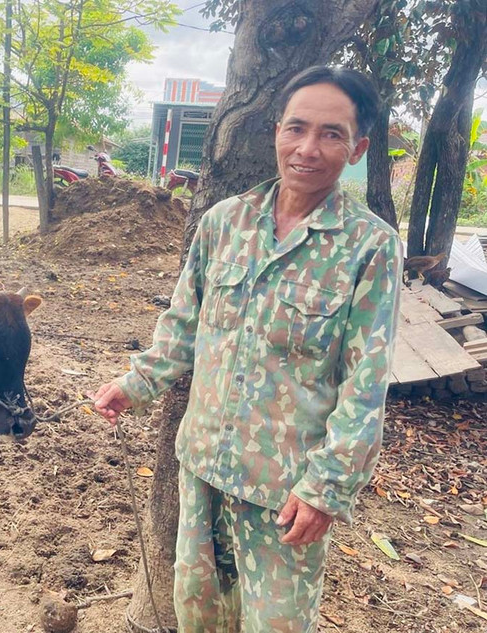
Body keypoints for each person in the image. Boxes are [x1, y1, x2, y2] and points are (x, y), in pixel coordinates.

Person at [92, 66, 401, 632]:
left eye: (331, 134)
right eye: (297, 128)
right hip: (204, 466)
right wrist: (134, 384)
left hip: (285, 491)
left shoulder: (370, 246)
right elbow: (184, 323)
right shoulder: (223, 223)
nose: (308, 148)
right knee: (198, 614)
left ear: (357, 149)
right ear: (276, 131)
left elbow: (366, 383)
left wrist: (327, 489)